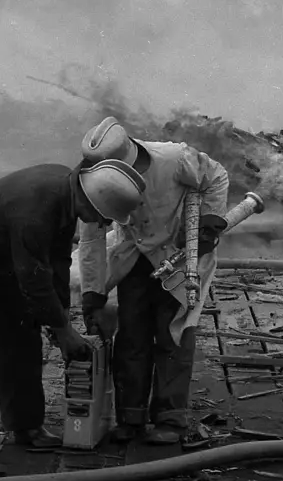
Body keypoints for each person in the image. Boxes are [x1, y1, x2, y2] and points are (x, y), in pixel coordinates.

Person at [0, 159, 147, 475]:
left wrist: (64, 318)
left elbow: (56, 262)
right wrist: (62, 330)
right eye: (103, 218)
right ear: (91, 200)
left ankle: (26, 426)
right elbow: (33, 276)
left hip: (6, 256)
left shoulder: (67, 192)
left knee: (22, 333)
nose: (100, 224)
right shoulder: (36, 207)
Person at [77, 117, 230, 445]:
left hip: (181, 253)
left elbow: (216, 176)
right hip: (134, 255)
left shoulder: (174, 159)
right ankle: (131, 418)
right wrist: (92, 289)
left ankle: (170, 419)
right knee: (131, 335)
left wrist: (210, 221)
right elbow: (91, 236)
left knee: (173, 334)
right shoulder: (95, 179)